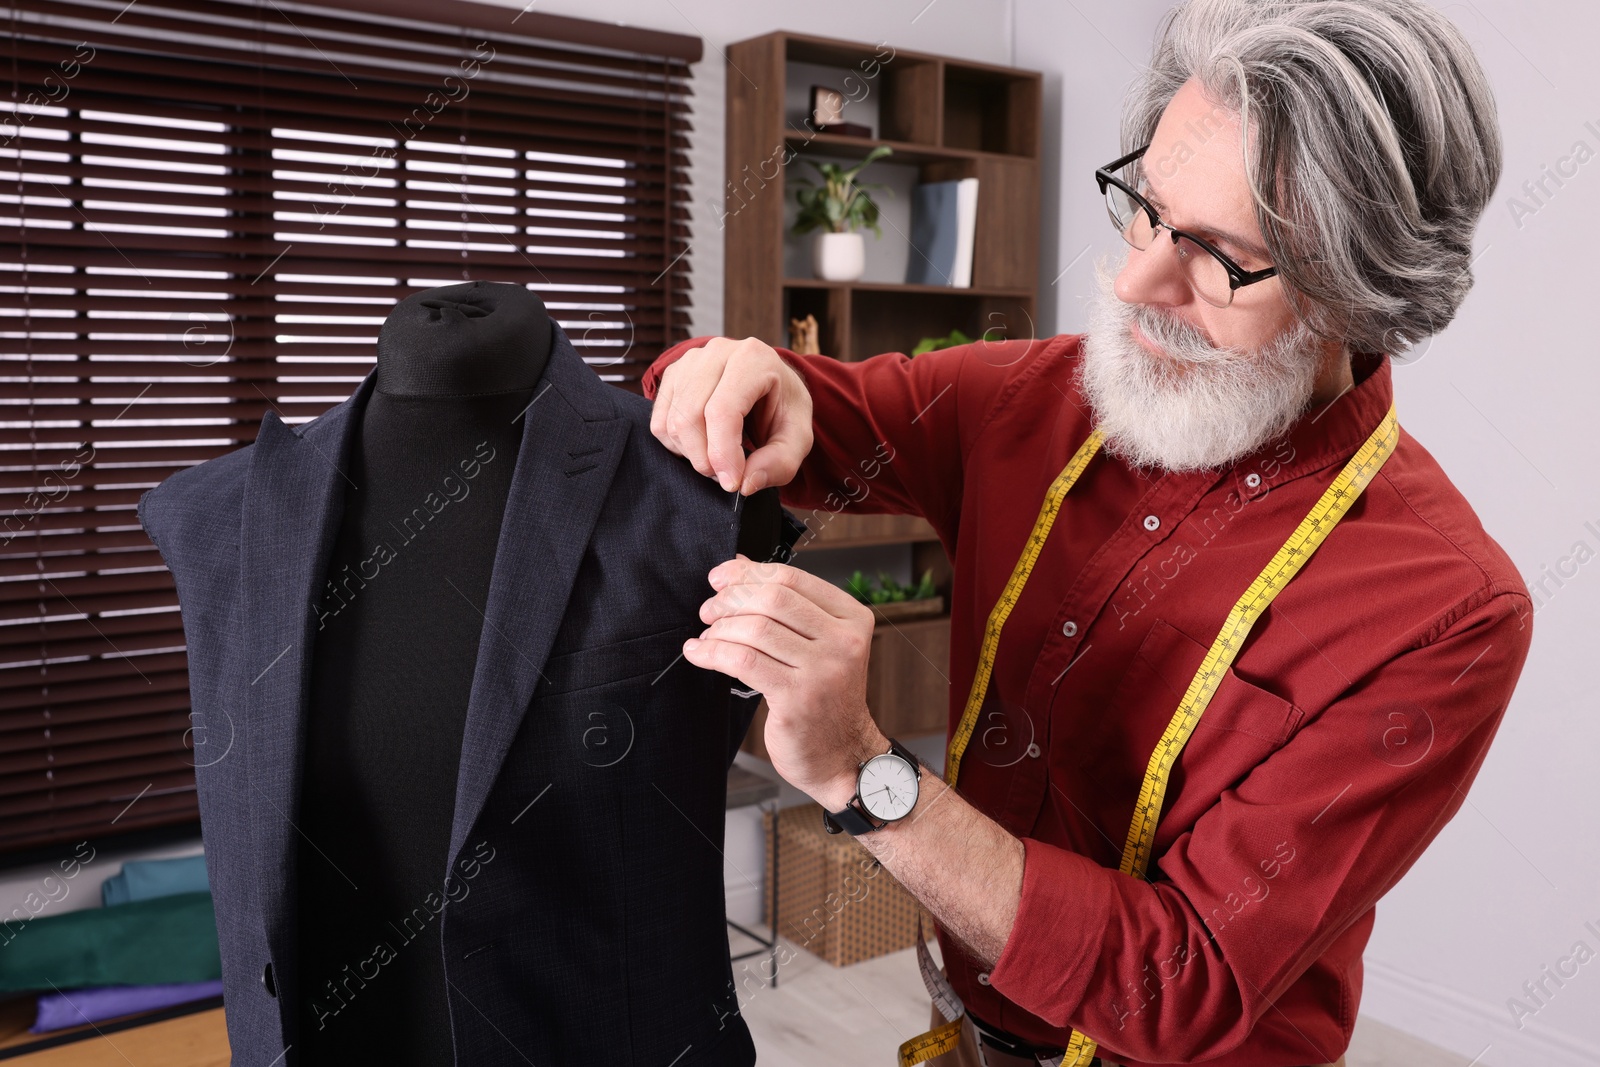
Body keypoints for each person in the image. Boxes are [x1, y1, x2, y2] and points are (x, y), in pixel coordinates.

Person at [641, 1, 1530, 1064]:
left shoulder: (1444, 611)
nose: (1136, 281)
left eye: (1221, 260)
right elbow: (785, 407)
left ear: (1359, 287)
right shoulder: (1030, 398)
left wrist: (861, 771)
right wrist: (735, 374)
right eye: (1146, 209)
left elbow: (1177, 982)